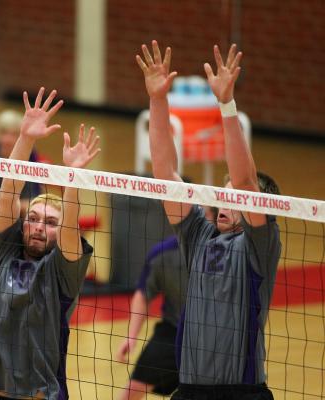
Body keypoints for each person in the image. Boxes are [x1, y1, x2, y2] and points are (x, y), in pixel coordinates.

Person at [138, 40, 281, 399]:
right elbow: (165, 175)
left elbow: (247, 182)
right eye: (223, 192)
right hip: (190, 390)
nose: (224, 201)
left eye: (235, 196)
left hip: (241, 391)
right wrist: (157, 100)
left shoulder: (259, 244)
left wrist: (226, 104)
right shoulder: (199, 235)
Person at [0, 88, 98, 400]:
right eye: (33, 218)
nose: (39, 227)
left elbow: (71, 223)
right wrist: (25, 138)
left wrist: (74, 177)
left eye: (50, 222)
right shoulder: (4, 252)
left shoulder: (61, 269)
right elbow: (7, 196)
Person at [116, 207, 217, 400]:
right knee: (132, 390)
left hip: (213, 337)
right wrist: (131, 337)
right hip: (173, 330)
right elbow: (142, 294)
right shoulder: (162, 254)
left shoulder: (225, 253)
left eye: (203, 216)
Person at [0, 109, 43, 213]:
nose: (8, 139)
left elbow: (35, 197)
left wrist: (19, 206)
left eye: (14, 134)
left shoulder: (31, 154)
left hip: (23, 209)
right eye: (4, 132)